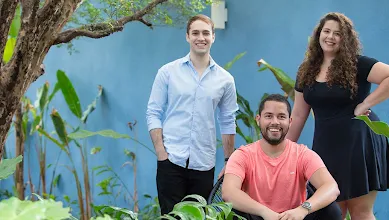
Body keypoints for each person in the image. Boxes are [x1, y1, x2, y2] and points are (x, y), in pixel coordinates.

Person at [286, 12, 389, 220]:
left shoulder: (358, 64)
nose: (330, 37)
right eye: (326, 31)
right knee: (330, 212)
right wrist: (282, 151)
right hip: (325, 146)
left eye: (337, 33)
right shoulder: (306, 70)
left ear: (346, 38)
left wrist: (366, 103)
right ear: (318, 35)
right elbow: (298, 115)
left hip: (359, 143)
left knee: (360, 211)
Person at [146, 14, 239, 215]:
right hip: (171, 161)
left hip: (204, 163)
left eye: (206, 33)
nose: (201, 37)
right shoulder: (168, 72)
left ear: (213, 37)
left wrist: (228, 161)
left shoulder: (225, 80)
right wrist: (161, 153)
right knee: (170, 217)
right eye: (195, 33)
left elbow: (227, 120)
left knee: (199, 217)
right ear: (187, 36)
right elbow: (153, 112)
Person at [222, 94, 342, 220]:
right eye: (268, 116)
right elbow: (229, 192)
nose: (275, 122)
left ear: (290, 122)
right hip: (257, 216)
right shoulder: (243, 155)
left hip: (294, 217)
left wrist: (303, 209)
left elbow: (331, 187)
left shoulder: (302, 154)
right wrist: (263, 211)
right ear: (258, 119)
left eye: (281, 117)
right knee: (234, 212)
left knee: (331, 210)